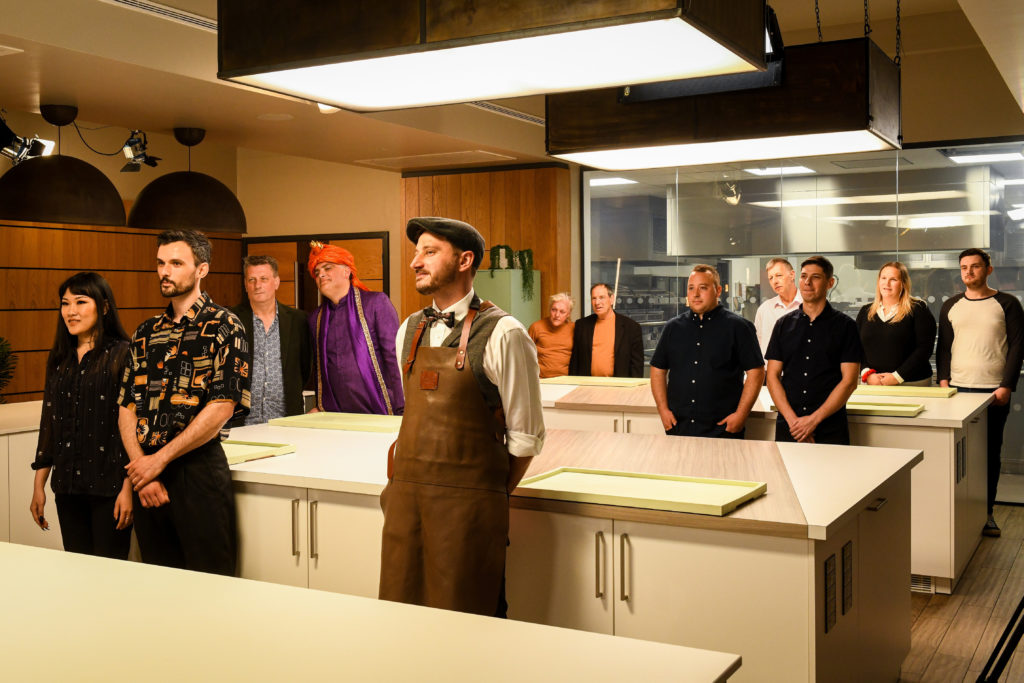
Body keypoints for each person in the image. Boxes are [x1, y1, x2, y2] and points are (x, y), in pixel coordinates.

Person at [379, 216, 545, 618]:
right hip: (406, 506)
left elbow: (524, 440)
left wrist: (480, 499)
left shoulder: (505, 333)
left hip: (468, 515)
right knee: (400, 620)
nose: (416, 262)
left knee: (469, 624)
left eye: (430, 252)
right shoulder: (409, 330)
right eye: (416, 252)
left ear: (465, 259)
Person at [118, 229, 250, 575]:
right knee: (158, 585)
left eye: (176, 263)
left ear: (201, 270)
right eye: (161, 263)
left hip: (198, 471)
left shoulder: (226, 325)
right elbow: (126, 407)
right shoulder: (145, 333)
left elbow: (223, 405)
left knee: (211, 584)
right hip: (148, 476)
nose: (165, 271)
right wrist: (143, 472)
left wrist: (157, 462)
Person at [30, 272, 133, 559]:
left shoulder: (123, 355)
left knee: (110, 576)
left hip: (110, 487)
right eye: (65, 303)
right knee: (77, 572)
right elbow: (49, 424)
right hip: (67, 488)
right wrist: (39, 486)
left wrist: (129, 489)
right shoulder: (59, 360)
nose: (71, 311)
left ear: (103, 307)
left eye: (80, 301)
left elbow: (134, 429)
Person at [937, 248, 1024, 537]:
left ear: (988, 269)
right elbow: (944, 349)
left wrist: (1006, 385)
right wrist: (944, 381)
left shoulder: (1007, 304)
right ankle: (959, 513)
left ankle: (986, 513)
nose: (968, 272)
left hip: (993, 391)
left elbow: (1017, 348)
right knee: (958, 455)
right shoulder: (950, 305)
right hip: (958, 391)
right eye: (964, 268)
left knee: (989, 454)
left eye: (975, 267)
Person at [650, 265, 764, 439]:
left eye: (703, 288)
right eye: (691, 288)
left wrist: (741, 415)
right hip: (679, 427)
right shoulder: (673, 328)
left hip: (723, 429)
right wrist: (663, 410)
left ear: (718, 291)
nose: (695, 294)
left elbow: (756, 373)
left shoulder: (739, 327)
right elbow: (657, 371)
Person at [766, 255, 862, 445]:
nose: (807, 282)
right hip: (790, 427)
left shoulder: (846, 327)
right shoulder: (782, 325)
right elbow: (772, 377)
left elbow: (849, 381)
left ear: (830, 283)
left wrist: (812, 421)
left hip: (829, 427)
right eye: (803, 276)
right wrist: (796, 424)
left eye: (816, 277)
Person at [308, 241, 403, 415]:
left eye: (327, 268)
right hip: (335, 415)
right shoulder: (316, 318)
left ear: (347, 271)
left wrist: (402, 409)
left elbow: (395, 358)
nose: (321, 274)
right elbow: (319, 370)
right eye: (317, 272)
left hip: (381, 411)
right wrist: (319, 406)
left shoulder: (375, 303)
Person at [230, 255, 312, 424]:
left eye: (263, 279)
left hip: (286, 420)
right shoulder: (231, 319)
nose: (257, 285)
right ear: (246, 285)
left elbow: (306, 367)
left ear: (276, 282)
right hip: (240, 421)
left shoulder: (299, 320)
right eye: (251, 279)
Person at [856, 262, 937, 387]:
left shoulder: (918, 309)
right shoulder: (865, 311)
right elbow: (857, 348)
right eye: (883, 278)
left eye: (893, 279)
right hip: (874, 383)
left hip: (912, 383)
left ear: (903, 283)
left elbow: (924, 349)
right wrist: (868, 374)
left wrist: (897, 376)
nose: (886, 283)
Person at [568, 283, 644, 378]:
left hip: (619, 387)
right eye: (594, 298)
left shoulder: (631, 327)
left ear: (612, 299)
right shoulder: (581, 325)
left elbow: (637, 366)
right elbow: (575, 362)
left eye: (601, 297)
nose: (597, 302)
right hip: (587, 385)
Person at [754, 257, 802, 360]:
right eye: (771, 278)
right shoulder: (764, 309)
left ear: (792, 275)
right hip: (769, 372)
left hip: (800, 372)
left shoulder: (808, 306)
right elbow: (757, 346)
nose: (774, 281)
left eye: (779, 275)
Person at [527, 293, 575, 378]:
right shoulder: (536, 327)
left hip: (566, 380)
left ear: (568, 314)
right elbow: (524, 354)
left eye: (562, 312)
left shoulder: (575, 329)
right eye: (554, 310)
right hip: (540, 379)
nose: (557, 315)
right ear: (549, 309)